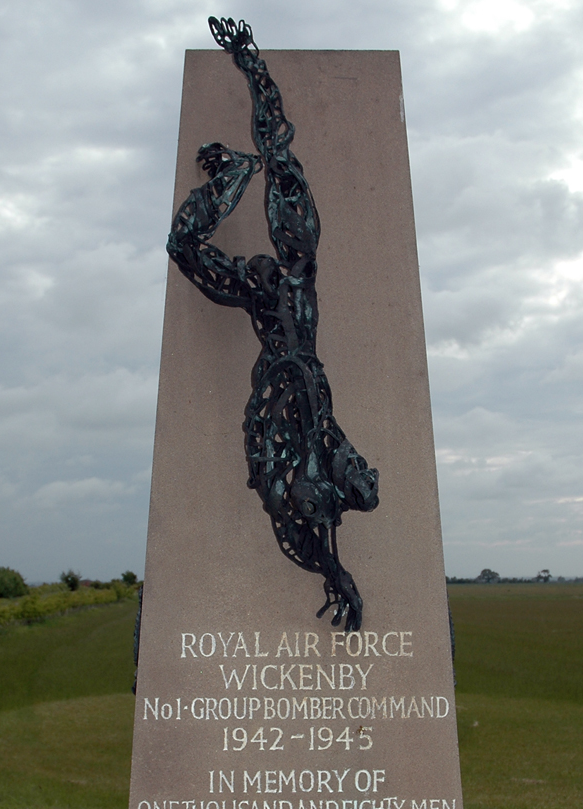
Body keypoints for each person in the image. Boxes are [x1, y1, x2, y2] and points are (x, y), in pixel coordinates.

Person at [167, 17, 379, 632]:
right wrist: (250, 69)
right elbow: (187, 247)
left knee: (300, 492)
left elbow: (280, 151)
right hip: (288, 391)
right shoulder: (272, 286)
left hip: (295, 392)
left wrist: (251, 64)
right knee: (285, 494)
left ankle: (235, 171)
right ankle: (233, 172)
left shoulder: (292, 276)